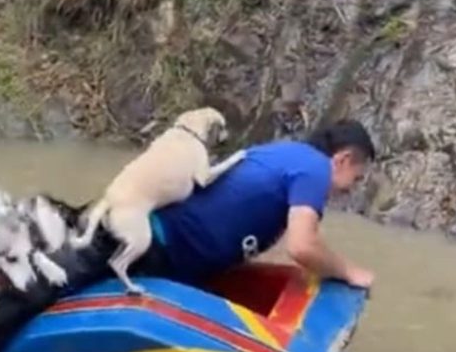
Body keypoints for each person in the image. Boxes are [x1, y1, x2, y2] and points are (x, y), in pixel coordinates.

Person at [140, 118, 377, 289]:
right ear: (342, 160)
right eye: (355, 179)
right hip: (158, 249)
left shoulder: (289, 156)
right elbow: (302, 247)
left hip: (155, 239)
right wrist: (349, 272)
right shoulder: (316, 169)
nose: (350, 190)